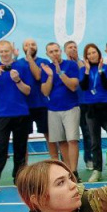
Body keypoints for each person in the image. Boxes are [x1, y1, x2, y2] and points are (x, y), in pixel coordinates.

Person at [0, 40, 33, 195]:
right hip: (2, 115)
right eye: (1, 51)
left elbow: (28, 91)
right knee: (0, 150)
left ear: (12, 50)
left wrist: (17, 80)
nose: (4, 54)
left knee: (20, 150)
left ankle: (19, 181)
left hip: (21, 114)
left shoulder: (22, 67)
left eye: (6, 51)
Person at [80, 43, 107, 182]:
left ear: (99, 54)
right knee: (94, 142)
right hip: (91, 109)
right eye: (89, 53)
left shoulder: (106, 67)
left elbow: (106, 84)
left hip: (106, 108)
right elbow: (84, 86)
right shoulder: (82, 70)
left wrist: (100, 71)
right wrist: (87, 71)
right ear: (86, 57)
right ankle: (97, 170)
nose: (92, 55)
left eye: (94, 52)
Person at [41, 42, 82, 171]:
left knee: (72, 140)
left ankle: (74, 172)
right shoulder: (46, 68)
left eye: (56, 51)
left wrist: (60, 73)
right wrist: (50, 76)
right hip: (53, 109)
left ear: (60, 51)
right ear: (47, 54)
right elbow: (45, 91)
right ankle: (68, 170)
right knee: (62, 142)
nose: (54, 54)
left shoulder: (71, 65)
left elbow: (73, 86)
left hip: (71, 107)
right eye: (51, 52)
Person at [16, 39, 51, 153]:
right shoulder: (18, 63)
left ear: (37, 47)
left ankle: (54, 162)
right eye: (27, 45)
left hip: (42, 104)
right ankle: (23, 167)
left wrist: (30, 59)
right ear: (23, 48)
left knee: (50, 136)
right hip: (24, 107)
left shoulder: (44, 62)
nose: (30, 47)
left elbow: (38, 76)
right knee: (22, 139)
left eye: (33, 44)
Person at [64, 41, 91, 171]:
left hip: (84, 103)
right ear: (65, 51)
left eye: (75, 47)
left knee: (87, 132)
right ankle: (67, 164)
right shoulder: (62, 66)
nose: (73, 49)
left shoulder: (82, 64)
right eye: (70, 48)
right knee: (69, 137)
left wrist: (78, 60)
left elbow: (86, 74)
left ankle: (89, 159)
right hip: (69, 105)